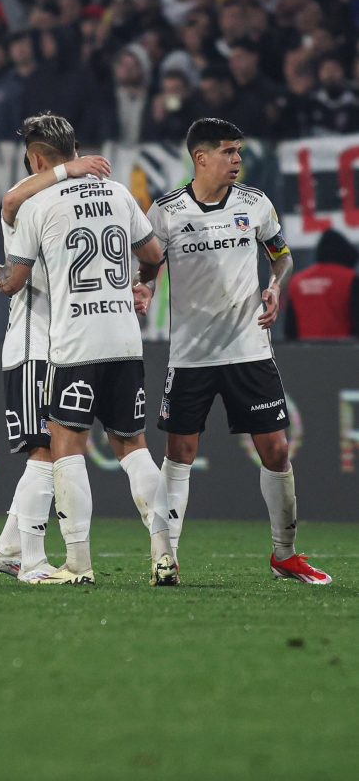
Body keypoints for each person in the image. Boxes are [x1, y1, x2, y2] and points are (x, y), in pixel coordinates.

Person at [137, 117, 332, 585]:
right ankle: (166, 559)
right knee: (180, 450)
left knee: (277, 449)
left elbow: (281, 255)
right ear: (201, 158)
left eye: (240, 152)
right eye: (229, 152)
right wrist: (143, 290)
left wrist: (276, 285)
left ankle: (284, 554)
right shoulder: (165, 212)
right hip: (191, 355)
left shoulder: (255, 204)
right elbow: (146, 266)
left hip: (249, 348)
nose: (238, 160)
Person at [0, 132, 169, 585]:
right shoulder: (114, 195)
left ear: (35, 158)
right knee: (122, 446)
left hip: (52, 343)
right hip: (105, 338)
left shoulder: (35, 206)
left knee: (48, 452)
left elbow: (9, 278)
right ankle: (15, 550)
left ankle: (34, 558)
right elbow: (154, 254)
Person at [286, 229, 359, 339]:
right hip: (344, 351)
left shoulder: (297, 282)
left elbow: (290, 329)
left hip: (304, 352)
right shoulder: (350, 279)